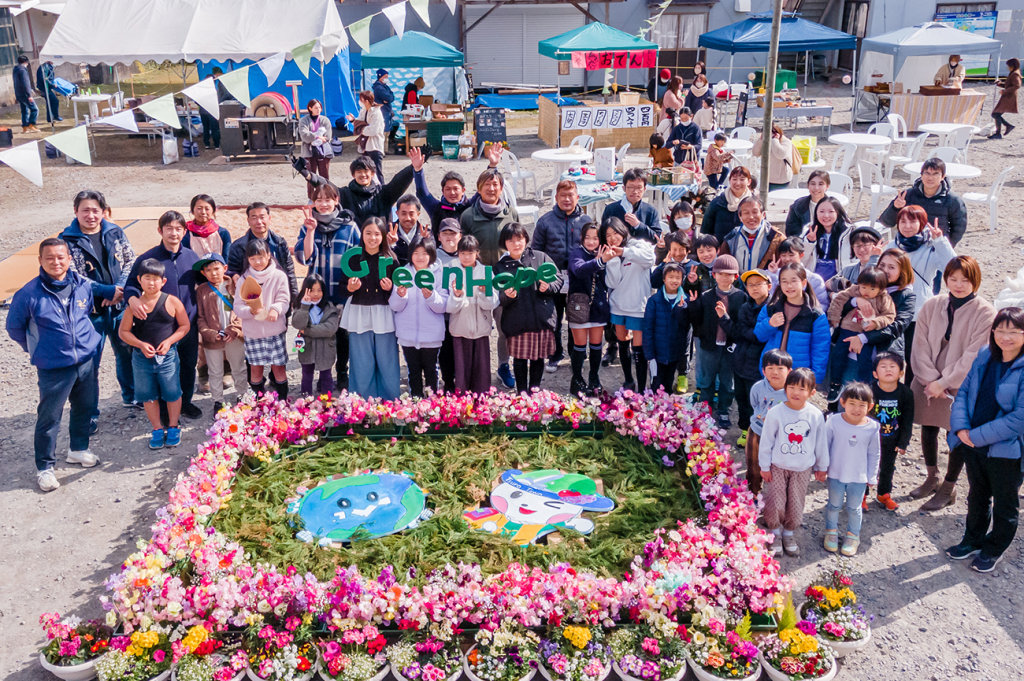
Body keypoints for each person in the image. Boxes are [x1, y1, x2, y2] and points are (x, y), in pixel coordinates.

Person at [7, 238, 101, 491]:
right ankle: (45, 467)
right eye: (50, 258)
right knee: (50, 417)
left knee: (85, 407)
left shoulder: (82, 285)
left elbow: (87, 313)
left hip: (85, 359)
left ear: (69, 259)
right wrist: (37, 348)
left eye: (61, 257)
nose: (56, 262)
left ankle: (78, 449)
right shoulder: (28, 294)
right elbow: (14, 328)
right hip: (53, 366)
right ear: (40, 260)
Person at [910, 255, 995, 511]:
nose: (958, 284)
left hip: (961, 382)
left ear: (975, 281)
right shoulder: (933, 304)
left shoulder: (986, 312)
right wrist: (930, 379)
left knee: (955, 433)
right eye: (953, 278)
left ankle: (948, 486)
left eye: (965, 280)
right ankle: (932, 476)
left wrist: (944, 382)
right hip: (928, 379)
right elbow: (920, 344)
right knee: (928, 426)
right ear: (945, 278)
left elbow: (974, 355)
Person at [944, 307, 1024, 573]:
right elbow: (964, 393)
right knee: (977, 495)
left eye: (1014, 331)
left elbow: (1019, 419)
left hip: (1006, 450)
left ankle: (993, 549)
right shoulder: (984, 355)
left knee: (1005, 502)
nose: (1006, 337)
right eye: (1001, 330)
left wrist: (974, 436)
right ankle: (972, 540)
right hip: (972, 443)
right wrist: (961, 429)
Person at [60, 190, 136, 420]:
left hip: (119, 306)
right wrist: (106, 291)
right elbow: (72, 276)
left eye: (96, 210)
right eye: (85, 210)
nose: (91, 215)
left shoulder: (115, 231)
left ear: (103, 211)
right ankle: (89, 412)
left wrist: (118, 290)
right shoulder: (68, 240)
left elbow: (131, 260)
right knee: (90, 362)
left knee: (125, 351)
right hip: (89, 311)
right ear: (75, 212)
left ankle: (131, 395)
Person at [123, 211, 203, 420]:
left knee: (187, 364)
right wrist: (132, 299)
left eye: (178, 229)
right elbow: (131, 283)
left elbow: (203, 282)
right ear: (160, 231)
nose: (174, 233)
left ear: (185, 231)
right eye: (169, 228)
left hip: (187, 323)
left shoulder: (191, 256)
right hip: (159, 325)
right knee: (161, 368)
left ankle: (185, 402)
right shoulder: (148, 259)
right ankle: (164, 409)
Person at [119, 259, 190, 449]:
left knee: (172, 392)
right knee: (147, 394)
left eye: (155, 279)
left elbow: (185, 326)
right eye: (147, 278)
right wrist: (140, 344)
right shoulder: (134, 306)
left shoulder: (172, 301)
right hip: (141, 358)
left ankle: (173, 426)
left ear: (163, 281)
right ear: (139, 281)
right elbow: (123, 332)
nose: (151, 283)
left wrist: (169, 342)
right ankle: (157, 428)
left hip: (167, 356)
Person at [295, 186, 361, 390]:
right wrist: (310, 231)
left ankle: (342, 371)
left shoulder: (349, 227)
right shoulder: (308, 225)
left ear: (336, 200)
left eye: (327, 199)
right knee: (316, 334)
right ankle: (318, 375)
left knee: (342, 335)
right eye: (318, 200)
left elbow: (358, 259)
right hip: (317, 294)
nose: (323, 204)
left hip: (341, 291)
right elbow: (305, 258)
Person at [758, 367, 829, 556]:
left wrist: (822, 467)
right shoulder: (776, 413)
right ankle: (774, 533)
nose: (796, 393)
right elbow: (766, 442)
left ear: (812, 392)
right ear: (785, 388)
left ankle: (788, 533)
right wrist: (764, 466)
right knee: (775, 501)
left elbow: (820, 443)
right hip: (778, 466)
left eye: (802, 389)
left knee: (796, 502)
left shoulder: (815, 415)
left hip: (802, 468)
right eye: (792, 387)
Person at [460, 167, 519, 389]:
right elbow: (463, 249)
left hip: (504, 281)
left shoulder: (510, 213)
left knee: (504, 327)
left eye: (496, 185)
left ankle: (504, 365)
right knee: (475, 327)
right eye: (487, 184)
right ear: (479, 188)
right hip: (477, 281)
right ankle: (473, 368)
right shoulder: (467, 216)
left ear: (502, 188)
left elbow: (518, 242)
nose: (492, 188)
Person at [883, 206, 957, 373]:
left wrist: (940, 241)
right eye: (903, 221)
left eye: (913, 221)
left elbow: (953, 268)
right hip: (890, 309)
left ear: (922, 223)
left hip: (918, 311)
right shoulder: (891, 247)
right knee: (887, 358)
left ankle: (911, 396)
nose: (907, 226)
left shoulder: (931, 246)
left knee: (914, 358)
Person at [496, 223, 563, 394]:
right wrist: (506, 296)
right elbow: (497, 298)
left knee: (537, 358)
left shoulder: (540, 257)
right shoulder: (501, 266)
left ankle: (535, 391)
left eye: (519, 239)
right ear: (504, 243)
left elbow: (558, 280)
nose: (516, 244)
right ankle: (521, 393)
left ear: (526, 238)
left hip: (540, 316)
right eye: (511, 240)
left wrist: (547, 286)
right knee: (519, 359)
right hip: (516, 319)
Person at [341, 217, 400, 401]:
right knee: (361, 360)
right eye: (368, 233)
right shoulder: (352, 259)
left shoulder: (390, 259)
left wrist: (391, 288)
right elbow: (341, 287)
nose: (372, 238)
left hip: (384, 313)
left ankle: (390, 403)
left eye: (377, 234)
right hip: (359, 312)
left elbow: (401, 290)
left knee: (387, 359)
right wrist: (349, 288)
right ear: (362, 235)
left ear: (383, 236)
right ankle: (361, 403)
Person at [533, 180, 589, 371]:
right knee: (554, 318)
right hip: (553, 278)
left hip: (578, 278)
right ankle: (555, 353)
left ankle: (576, 353)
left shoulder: (586, 222)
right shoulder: (545, 221)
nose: (566, 199)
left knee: (577, 316)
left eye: (570, 195)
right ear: (555, 198)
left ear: (577, 197)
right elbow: (536, 252)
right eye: (562, 195)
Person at [823, 382, 880, 557]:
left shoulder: (872, 428)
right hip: (835, 473)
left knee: (854, 508)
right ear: (843, 402)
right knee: (834, 504)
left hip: (859, 476)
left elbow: (874, 454)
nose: (856, 409)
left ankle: (853, 535)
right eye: (852, 404)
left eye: (862, 405)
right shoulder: (833, 422)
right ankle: (831, 532)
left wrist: (872, 476)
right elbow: (824, 445)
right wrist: (822, 467)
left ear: (870, 406)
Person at [688, 254, 745, 427]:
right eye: (721, 273)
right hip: (709, 346)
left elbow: (740, 324)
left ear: (736, 277)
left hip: (730, 348)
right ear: (714, 274)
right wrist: (693, 304)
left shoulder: (740, 297)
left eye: (729, 274)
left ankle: (723, 410)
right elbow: (697, 321)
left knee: (728, 383)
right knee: (707, 380)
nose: (725, 277)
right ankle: (707, 410)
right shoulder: (706, 296)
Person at [826, 267, 896, 402]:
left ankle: (864, 387)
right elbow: (838, 300)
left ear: (881, 288)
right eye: (864, 287)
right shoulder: (854, 290)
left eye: (872, 289)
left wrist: (876, 323)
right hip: (847, 328)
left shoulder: (884, 299)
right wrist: (834, 319)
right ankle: (835, 384)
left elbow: (889, 316)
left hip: (866, 334)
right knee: (838, 356)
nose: (866, 292)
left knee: (865, 360)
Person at [390, 237, 448, 397]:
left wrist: (431, 296)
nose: (420, 257)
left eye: (424, 253)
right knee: (413, 371)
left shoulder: (439, 273)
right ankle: (415, 407)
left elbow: (442, 305)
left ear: (431, 254)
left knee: (431, 371)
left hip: (431, 335)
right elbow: (395, 306)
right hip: (407, 334)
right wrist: (400, 295)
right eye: (416, 253)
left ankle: (432, 406)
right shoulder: (403, 273)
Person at [234, 239, 292, 399]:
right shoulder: (243, 279)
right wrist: (251, 311)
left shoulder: (279, 276)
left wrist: (276, 309)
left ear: (268, 255)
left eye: (260, 257)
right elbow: (237, 307)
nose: (257, 262)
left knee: (279, 368)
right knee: (255, 368)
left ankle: (282, 402)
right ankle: (260, 403)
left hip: (275, 331)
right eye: (252, 259)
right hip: (253, 333)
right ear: (248, 259)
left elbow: (284, 299)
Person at [721, 269, 772, 447]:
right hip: (740, 360)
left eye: (759, 284)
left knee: (759, 401)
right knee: (742, 397)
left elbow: (759, 337)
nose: (755, 288)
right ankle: (745, 430)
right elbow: (740, 332)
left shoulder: (773, 308)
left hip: (759, 363)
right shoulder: (745, 307)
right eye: (751, 285)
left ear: (769, 286)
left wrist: (750, 334)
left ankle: (759, 432)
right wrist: (725, 319)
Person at [755, 262, 830, 381]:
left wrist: (815, 377)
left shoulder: (815, 315)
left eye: (794, 281)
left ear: (804, 282)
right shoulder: (771, 308)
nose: (789, 286)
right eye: (784, 281)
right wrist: (770, 324)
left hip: (799, 374)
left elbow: (820, 349)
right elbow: (759, 336)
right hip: (771, 369)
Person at [605, 217, 657, 392]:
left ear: (623, 230)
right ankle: (628, 381)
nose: (612, 238)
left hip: (638, 305)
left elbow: (650, 259)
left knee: (639, 348)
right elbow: (612, 283)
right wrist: (612, 260)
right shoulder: (610, 253)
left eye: (615, 232)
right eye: (608, 235)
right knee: (622, 343)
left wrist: (624, 252)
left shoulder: (638, 245)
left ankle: (642, 387)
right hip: (618, 305)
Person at [409, 144, 502, 235]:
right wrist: (418, 170)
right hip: (440, 250)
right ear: (443, 192)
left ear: (463, 190)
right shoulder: (436, 208)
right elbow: (422, 194)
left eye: (456, 189)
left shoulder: (471, 206)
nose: (452, 192)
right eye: (448, 189)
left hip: (467, 250)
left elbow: (483, 190)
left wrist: (492, 166)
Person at [194, 253, 246, 414]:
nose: (213, 273)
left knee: (238, 367)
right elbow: (200, 317)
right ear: (203, 273)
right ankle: (218, 401)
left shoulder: (235, 286)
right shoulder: (201, 291)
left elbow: (242, 310)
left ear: (225, 268)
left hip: (234, 337)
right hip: (212, 339)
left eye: (216, 268)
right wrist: (208, 333)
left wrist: (235, 328)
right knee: (215, 371)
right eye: (208, 270)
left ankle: (243, 396)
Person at [447, 235, 499, 394]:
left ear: (477, 252)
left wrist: (484, 292)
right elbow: (449, 307)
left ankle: (481, 401)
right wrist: (457, 294)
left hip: (480, 328)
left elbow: (493, 303)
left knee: (481, 368)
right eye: (462, 253)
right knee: (461, 369)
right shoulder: (452, 271)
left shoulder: (485, 272)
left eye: (470, 253)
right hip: (459, 328)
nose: (466, 257)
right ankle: (462, 403)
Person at [879, 158, 968, 247]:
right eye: (927, 173)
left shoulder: (952, 199)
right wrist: (896, 208)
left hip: (935, 246)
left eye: (935, 174)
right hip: (909, 245)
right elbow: (886, 222)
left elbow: (959, 228)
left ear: (943, 176)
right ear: (921, 175)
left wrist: (945, 245)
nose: (930, 178)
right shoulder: (908, 195)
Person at [567, 221, 612, 396]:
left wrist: (603, 259)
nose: (591, 242)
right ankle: (577, 379)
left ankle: (594, 377)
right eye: (588, 238)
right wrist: (600, 261)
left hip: (599, 304)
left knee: (596, 344)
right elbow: (579, 270)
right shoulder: (577, 253)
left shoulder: (604, 253)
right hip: (579, 304)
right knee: (579, 344)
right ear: (582, 238)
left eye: (595, 238)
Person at [870, 352, 914, 511]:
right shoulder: (869, 390)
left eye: (892, 366)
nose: (888, 369)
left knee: (888, 467)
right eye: (883, 366)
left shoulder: (906, 393)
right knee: (866, 465)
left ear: (901, 373)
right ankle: (861, 494)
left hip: (892, 439)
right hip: (869, 439)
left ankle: (884, 494)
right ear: (875, 373)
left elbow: (907, 420)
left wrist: (903, 442)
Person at [227, 202, 298, 302]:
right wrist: (233, 274)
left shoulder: (279, 243)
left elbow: (289, 271)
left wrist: (294, 298)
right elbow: (231, 270)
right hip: (251, 299)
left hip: (277, 297)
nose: (259, 222)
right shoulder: (238, 246)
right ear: (248, 221)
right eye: (254, 217)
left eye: (262, 217)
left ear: (269, 219)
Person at [746, 349, 792, 495]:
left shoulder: (791, 392)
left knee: (777, 468)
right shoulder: (758, 387)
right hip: (757, 431)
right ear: (764, 371)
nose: (775, 372)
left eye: (780, 368)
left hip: (780, 437)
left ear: (789, 371)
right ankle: (753, 495)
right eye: (770, 368)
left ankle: (776, 499)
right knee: (753, 466)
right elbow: (754, 405)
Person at [643, 263, 691, 393]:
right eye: (670, 277)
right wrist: (649, 354)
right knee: (657, 385)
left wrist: (682, 310)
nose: (674, 280)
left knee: (668, 384)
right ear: (664, 279)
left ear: (682, 280)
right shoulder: (654, 300)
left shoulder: (686, 300)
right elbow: (647, 328)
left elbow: (686, 327)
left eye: (678, 277)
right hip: (657, 353)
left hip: (675, 352)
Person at [293, 274, 341, 397]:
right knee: (307, 376)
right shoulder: (300, 306)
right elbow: (298, 323)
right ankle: (305, 401)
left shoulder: (330, 308)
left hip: (326, 349)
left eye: (319, 290)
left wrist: (307, 331)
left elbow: (329, 329)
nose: (315, 294)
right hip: (307, 348)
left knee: (326, 375)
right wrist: (304, 306)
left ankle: (327, 401)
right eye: (312, 290)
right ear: (305, 290)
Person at [719, 197, 785, 273]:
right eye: (746, 213)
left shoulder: (776, 238)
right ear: (740, 217)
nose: (751, 217)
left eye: (755, 212)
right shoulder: (731, 238)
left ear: (763, 214)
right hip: (738, 284)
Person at [600, 169, 661, 243]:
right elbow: (603, 236)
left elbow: (656, 238)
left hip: (642, 252)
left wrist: (638, 225)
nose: (635, 191)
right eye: (631, 187)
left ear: (644, 189)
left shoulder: (650, 211)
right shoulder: (611, 210)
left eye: (639, 188)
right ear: (624, 188)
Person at [436, 218, 462, 391]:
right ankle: (448, 383)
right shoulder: (433, 256)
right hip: (440, 313)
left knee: (459, 351)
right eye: (445, 233)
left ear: (460, 235)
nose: (449, 237)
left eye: (452, 233)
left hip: (461, 313)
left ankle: (461, 382)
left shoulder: (466, 254)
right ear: (438, 237)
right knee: (445, 351)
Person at [801, 196, 852, 282]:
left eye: (831, 211)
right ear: (816, 213)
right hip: (813, 281)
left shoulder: (849, 233)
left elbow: (855, 259)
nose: (826, 215)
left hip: (839, 282)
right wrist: (809, 242)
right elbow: (801, 261)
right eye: (821, 211)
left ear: (838, 213)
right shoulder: (808, 230)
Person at [768, 238, 829, 309]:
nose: (787, 259)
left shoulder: (814, 279)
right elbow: (769, 301)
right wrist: (772, 274)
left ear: (801, 255)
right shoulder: (774, 274)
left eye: (791, 255)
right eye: (783, 255)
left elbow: (823, 306)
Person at [825, 225, 883, 296]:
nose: (861, 249)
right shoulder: (848, 269)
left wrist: (874, 257)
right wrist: (833, 295)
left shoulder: (884, 269)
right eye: (857, 246)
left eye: (865, 245)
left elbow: (869, 283)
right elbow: (826, 288)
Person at [701, 166, 754, 242]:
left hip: (747, 251)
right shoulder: (717, 203)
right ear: (729, 181)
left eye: (742, 179)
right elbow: (705, 231)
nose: (738, 183)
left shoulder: (754, 204)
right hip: (721, 251)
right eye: (734, 179)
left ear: (749, 182)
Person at [345, 91, 387, 182]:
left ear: (367, 101)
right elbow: (359, 122)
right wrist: (353, 121)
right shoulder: (364, 110)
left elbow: (373, 130)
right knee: (366, 170)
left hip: (375, 147)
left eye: (361, 100)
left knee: (376, 172)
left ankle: (382, 192)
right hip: (365, 146)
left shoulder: (376, 113)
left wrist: (361, 128)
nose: (360, 101)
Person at [299, 99, 334, 202]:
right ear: (310, 108)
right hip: (309, 151)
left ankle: (327, 195)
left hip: (323, 151)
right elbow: (304, 135)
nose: (318, 110)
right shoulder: (304, 120)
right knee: (310, 175)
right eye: (315, 108)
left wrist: (317, 139)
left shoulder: (325, 120)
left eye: (319, 107)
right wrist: (318, 137)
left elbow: (328, 136)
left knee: (324, 174)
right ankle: (311, 197)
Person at [183, 194, 231, 260]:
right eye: (199, 208)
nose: (203, 212)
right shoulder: (185, 233)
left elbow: (227, 258)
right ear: (192, 211)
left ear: (213, 211)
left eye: (207, 209)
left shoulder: (223, 233)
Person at [785, 170, 830, 238]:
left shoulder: (833, 206)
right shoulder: (798, 206)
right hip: (802, 244)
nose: (816, 188)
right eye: (813, 184)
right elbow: (791, 233)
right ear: (808, 185)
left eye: (821, 184)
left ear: (827, 186)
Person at [751, 125, 795, 191]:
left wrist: (775, 140)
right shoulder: (765, 141)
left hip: (781, 178)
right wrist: (761, 140)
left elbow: (781, 154)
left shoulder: (785, 142)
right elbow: (755, 152)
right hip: (766, 178)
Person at [391, 194, 431, 266]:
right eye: (403, 214)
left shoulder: (427, 233)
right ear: (397, 213)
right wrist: (389, 244)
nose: (408, 218)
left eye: (411, 214)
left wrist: (425, 243)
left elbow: (432, 259)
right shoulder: (388, 231)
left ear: (418, 214)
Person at [989, 58, 1021, 139]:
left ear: (1012, 66)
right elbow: (1009, 84)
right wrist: (1000, 84)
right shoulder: (1013, 73)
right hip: (1007, 96)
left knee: (996, 113)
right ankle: (1006, 127)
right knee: (996, 114)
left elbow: (1017, 85)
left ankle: (999, 133)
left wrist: (1005, 91)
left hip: (1009, 97)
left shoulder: (1015, 74)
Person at [372, 69, 397, 150]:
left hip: (386, 111)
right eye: (385, 77)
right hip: (382, 112)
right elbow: (388, 97)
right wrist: (388, 98)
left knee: (387, 133)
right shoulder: (379, 88)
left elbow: (392, 97)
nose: (387, 78)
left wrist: (389, 99)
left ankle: (385, 149)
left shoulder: (385, 87)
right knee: (383, 132)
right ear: (380, 77)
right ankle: (381, 150)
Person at [14, 55, 39, 133]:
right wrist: (29, 95)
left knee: (24, 110)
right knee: (35, 109)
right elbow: (26, 83)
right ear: (25, 62)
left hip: (18, 93)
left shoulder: (16, 70)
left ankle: (25, 127)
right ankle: (31, 124)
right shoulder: (23, 71)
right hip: (25, 94)